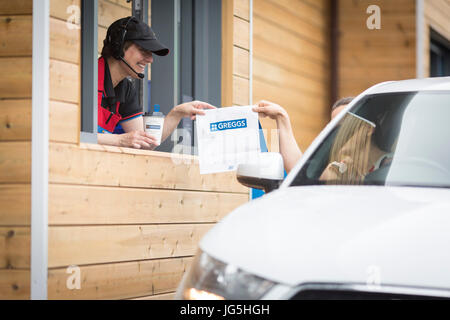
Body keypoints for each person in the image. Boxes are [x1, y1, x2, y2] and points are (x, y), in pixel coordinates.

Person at [97, 16, 214, 149]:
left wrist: (177, 113)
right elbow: (70, 133)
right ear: (118, 46)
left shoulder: (126, 89)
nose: (150, 59)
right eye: (143, 50)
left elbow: (144, 144)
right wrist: (118, 140)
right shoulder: (85, 78)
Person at [252, 97, 354, 173]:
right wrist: (281, 116)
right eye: (334, 125)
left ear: (366, 129)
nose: (337, 131)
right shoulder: (337, 168)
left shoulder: (367, 174)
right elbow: (299, 171)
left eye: (345, 122)